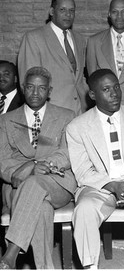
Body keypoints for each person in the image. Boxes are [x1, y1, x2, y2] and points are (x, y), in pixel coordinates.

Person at [66, 69, 124, 269]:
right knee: (84, 210)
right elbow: (83, 170)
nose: (115, 93)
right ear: (93, 95)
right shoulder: (77, 127)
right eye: (106, 89)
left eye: (116, 87)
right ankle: (89, 266)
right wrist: (112, 185)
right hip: (99, 186)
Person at [0, 67, 76, 269]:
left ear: (49, 91)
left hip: (56, 182)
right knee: (40, 206)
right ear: (23, 88)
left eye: (41, 88)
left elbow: (70, 152)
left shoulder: (66, 116)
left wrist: (35, 165)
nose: (35, 93)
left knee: (35, 183)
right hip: (16, 184)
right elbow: (2, 160)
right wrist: (26, 169)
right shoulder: (5, 120)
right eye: (31, 87)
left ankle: (12, 251)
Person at [18, 0, 89, 115]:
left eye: (72, 10)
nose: (68, 14)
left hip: (80, 113)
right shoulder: (34, 38)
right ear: (52, 11)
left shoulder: (80, 40)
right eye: (62, 9)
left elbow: (78, 77)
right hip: (51, 114)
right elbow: (29, 83)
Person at [86, 0, 124, 105]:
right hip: (105, 104)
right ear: (109, 14)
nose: (119, 16)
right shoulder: (94, 41)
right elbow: (93, 79)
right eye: (115, 12)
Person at [0, 60, 25, 220]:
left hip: (13, 162)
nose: (1, 78)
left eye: (6, 74)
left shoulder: (26, 102)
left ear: (16, 78)